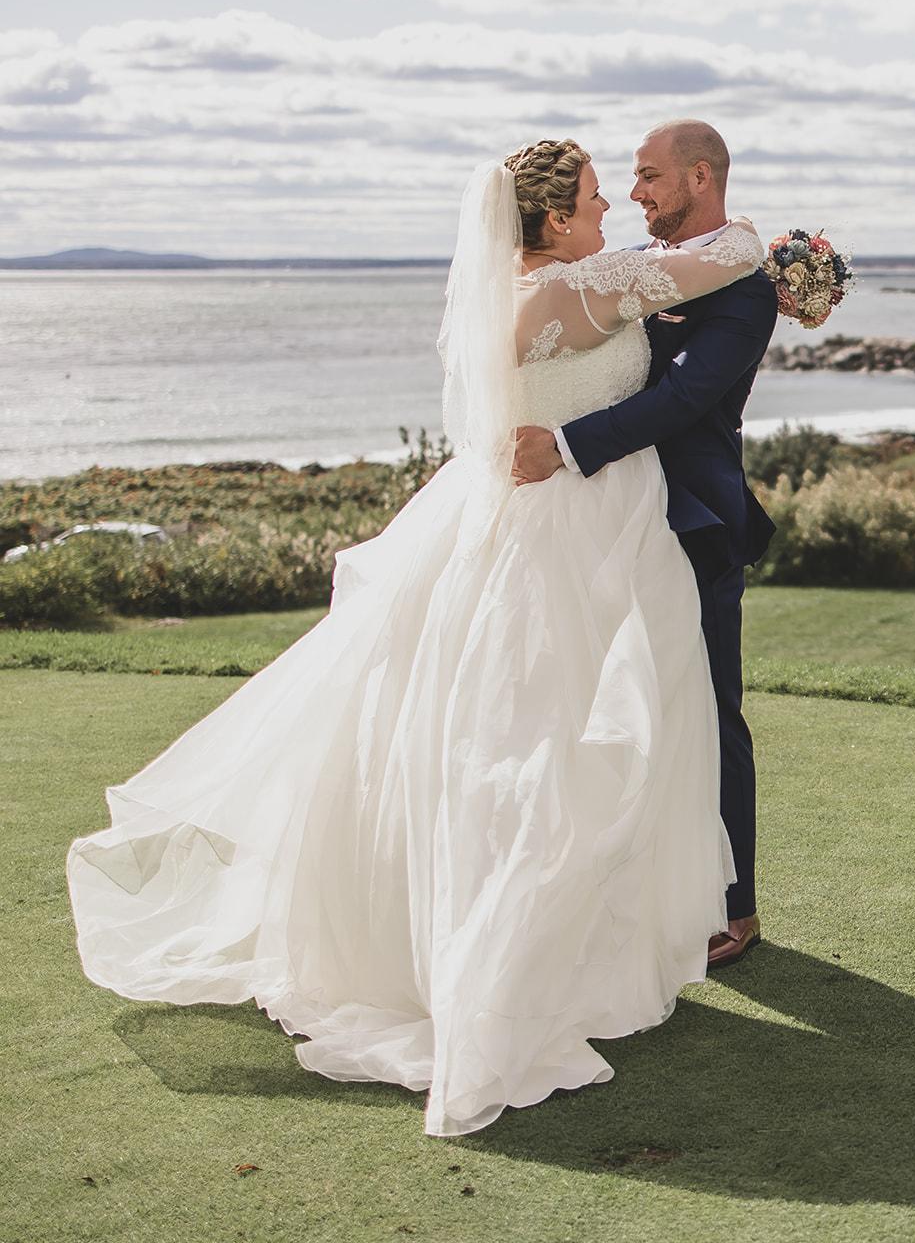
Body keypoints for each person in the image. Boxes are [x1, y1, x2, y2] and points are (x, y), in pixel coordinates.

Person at [66, 138, 766, 1138]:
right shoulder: (581, 288)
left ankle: (537, 936)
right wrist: (782, 250)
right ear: (552, 218)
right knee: (572, 744)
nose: (611, 204)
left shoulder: (517, 293)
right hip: (577, 534)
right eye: (593, 196)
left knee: (520, 737)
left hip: (528, 523)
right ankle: (527, 954)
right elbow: (727, 256)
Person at [512, 121, 778, 969]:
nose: (633, 195)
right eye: (622, 181)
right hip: (592, 521)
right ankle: (615, 889)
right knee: (583, 705)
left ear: (699, 177)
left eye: (649, 177)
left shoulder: (746, 289)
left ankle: (732, 906)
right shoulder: (624, 264)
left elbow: (685, 398)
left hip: (691, 517)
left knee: (707, 710)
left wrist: (565, 443)